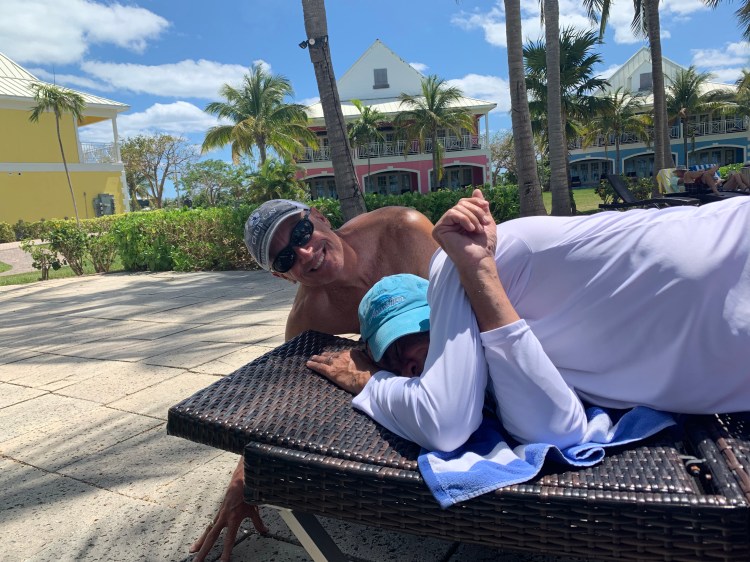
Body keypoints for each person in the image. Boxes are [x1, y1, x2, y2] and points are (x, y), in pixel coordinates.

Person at [308, 190, 750, 452]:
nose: (408, 364)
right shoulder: (510, 368)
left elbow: (443, 422)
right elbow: (556, 432)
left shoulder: (453, 264)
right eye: (392, 359)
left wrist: (372, 382)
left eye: (413, 336)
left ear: (438, 315)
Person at [189, 198, 438, 562]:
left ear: (320, 217)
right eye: (285, 259)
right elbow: (286, 396)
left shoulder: (403, 231)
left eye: (302, 232)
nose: (304, 253)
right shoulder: (310, 315)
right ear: (282, 276)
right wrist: (244, 480)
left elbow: (473, 306)